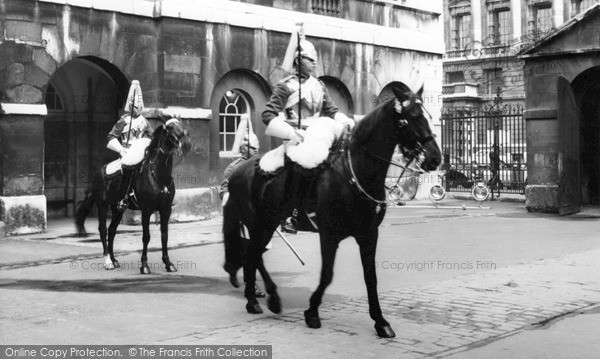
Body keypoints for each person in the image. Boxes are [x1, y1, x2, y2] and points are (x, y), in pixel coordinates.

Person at [262, 23, 352, 233]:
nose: (314, 63)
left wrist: (344, 119)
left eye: (315, 60)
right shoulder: (286, 86)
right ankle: (290, 215)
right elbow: (268, 114)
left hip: (319, 135)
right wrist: (290, 132)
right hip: (296, 137)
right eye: (310, 59)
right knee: (298, 168)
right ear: (299, 60)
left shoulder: (319, 85)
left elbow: (331, 110)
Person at [220, 122, 267, 298]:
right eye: (252, 148)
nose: (255, 151)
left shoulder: (260, 167)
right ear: (244, 148)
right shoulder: (233, 168)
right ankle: (249, 283)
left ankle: (236, 269)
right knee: (247, 250)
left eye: (257, 148)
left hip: (257, 215)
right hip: (240, 216)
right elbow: (223, 190)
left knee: (259, 249)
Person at [106, 80, 153, 211]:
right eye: (136, 107)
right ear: (131, 106)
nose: (138, 110)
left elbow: (152, 136)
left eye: (140, 107)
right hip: (126, 152)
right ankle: (124, 198)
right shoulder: (124, 120)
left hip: (140, 152)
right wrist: (121, 151)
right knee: (128, 171)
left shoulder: (144, 121)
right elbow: (111, 136)